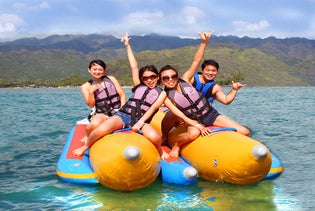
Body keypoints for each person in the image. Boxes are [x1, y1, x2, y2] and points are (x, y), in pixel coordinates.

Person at [73, 33, 168, 159]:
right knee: (101, 129)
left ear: (158, 77)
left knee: (155, 137)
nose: (149, 80)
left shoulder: (161, 93)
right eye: (146, 78)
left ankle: (159, 151)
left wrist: (140, 122)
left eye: (153, 77)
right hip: (123, 115)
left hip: (141, 120)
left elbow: (153, 108)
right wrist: (127, 45)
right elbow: (134, 66)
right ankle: (85, 147)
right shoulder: (139, 85)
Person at [159, 32, 250, 158]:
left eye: (173, 76)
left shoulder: (186, 79)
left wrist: (203, 43)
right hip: (192, 119)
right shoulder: (165, 94)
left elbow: (196, 60)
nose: (170, 79)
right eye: (166, 78)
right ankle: (176, 145)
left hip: (209, 114)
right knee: (192, 134)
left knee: (244, 131)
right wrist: (194, 124)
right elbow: (178, 113)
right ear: (161, 80)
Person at [80, 59, 126, 144]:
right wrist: (91, 92)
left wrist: (122, 110)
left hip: (118, 111)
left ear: (104, 71)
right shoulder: (86, 86)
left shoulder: (111, 79)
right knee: (93, 125)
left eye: (100, 69)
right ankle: (87, 136)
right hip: (102, 113)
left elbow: (122, 94)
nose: (97, 72)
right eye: (95, 69)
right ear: (89, 70)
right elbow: (91, 105)